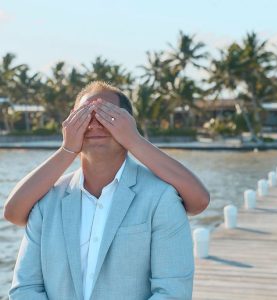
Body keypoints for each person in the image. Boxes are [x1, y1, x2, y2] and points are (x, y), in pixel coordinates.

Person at [7, 81, 209, 300]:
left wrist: (133, 139)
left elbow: (172, 293)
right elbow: (25, 287)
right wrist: (68, 148)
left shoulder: (160, 198)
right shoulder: (47, 200)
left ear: (129, 123)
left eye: (108, 114)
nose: (95, 123)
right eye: (85, 115)